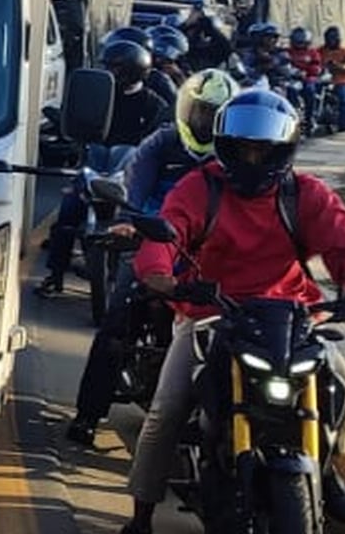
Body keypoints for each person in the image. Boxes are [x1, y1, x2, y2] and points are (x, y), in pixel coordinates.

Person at [102, 87, 345, 534]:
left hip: (292, 315)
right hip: (213, 312)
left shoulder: (307, 194)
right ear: (226, 146)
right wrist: (158, 273)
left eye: (264, 149)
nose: (253, 158)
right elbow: (169, 232)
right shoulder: (201, 187)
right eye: (243, 148)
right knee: (168, 409)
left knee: (341, 383)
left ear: (284, 150)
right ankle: (139, 523)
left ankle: (325, 468)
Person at [63, 67, 238, 447]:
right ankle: (88, 414)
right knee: (116, 323)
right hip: (153, 243)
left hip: (211, 253)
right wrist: (129, 224)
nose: (205, 121)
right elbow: (134, 189)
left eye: (216, 114)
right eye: (201, 112)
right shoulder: (162, 144)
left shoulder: (238, 155)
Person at [37, 31, 174, 298]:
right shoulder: (95, 96)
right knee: (68, 213)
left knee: (148, 220)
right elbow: (73, 118)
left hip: (128, 173)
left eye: (116, 68)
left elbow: (162, 137)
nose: (109, 72)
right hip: (95, 166)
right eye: (108, 67)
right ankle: (54, 276)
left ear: (134, 71)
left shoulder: (153, 104)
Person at [320, 26, 345, 132]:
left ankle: (344, 126)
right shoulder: (320, 51)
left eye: (333, 38)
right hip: (323, 79)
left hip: (341, 80)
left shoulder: (344, 52)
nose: (331, 41)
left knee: (343, 99)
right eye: (329, 38)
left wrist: (339, 66)